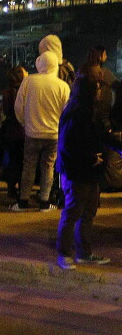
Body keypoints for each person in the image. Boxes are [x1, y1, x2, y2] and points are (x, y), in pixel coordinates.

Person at [56, 68, 111, 270]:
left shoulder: (83, 109)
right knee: (73, 212)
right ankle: (64, 254)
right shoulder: (78, 111)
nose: (99, 91)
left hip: (86, 171)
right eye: (96, 88)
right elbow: (69, 144)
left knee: (87, 212)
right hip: (77, 171)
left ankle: (84, 252)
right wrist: (91, 157)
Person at [12, 50, 71, 211]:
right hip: (53, 135)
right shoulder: (63, 86)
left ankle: (23, 201)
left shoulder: (29, 81)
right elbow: (67, 112)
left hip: (32, 133)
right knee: (48, 168)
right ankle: (44, 202)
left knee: (29, 167)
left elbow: (18, 106)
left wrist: (25, 123)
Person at [0, 65, 28, 200]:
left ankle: (11, 187)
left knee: (13, 160)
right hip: (21, 130)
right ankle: (21, 188)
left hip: (10, 130)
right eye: (24, 71)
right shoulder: (23, 91)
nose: (27, 72)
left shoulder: (7, 91)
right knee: (22, 160)